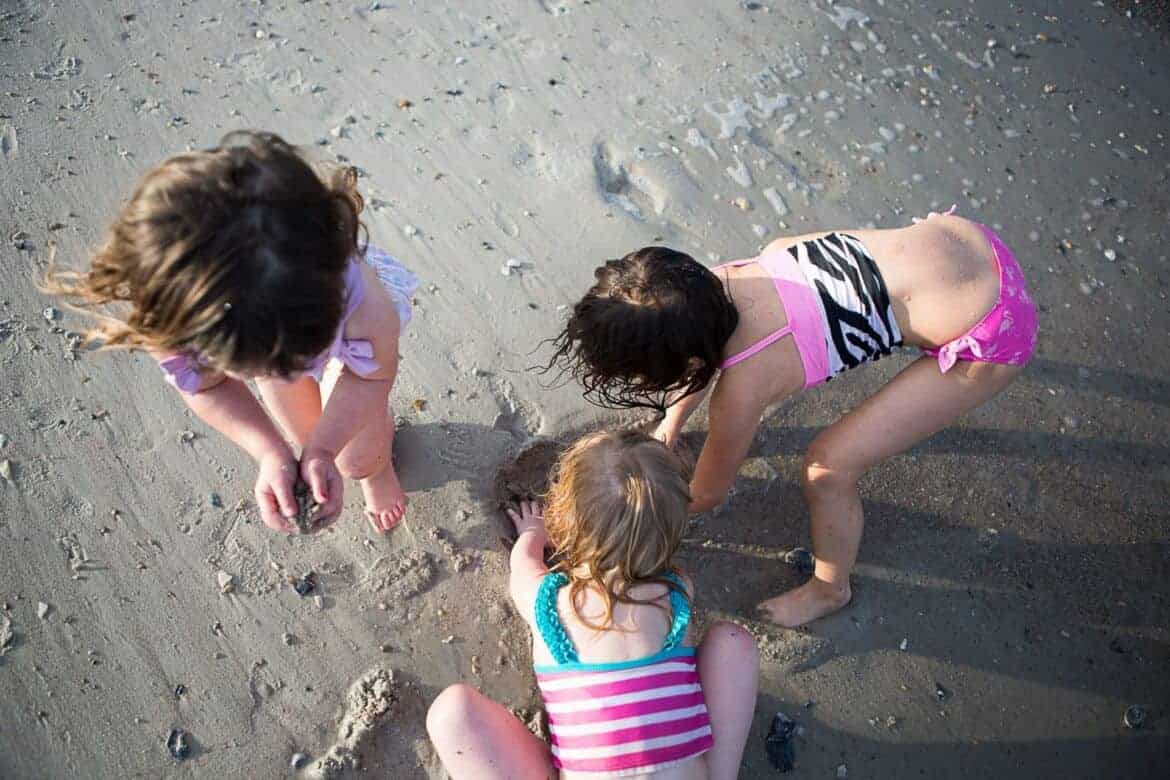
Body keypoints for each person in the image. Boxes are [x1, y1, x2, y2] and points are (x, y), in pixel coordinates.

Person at [547, 209, 1038, 626]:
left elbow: (709, 492)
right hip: (967, 243)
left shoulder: (744, 386)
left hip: (993, 327)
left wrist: (621, 521)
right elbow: (694, 361)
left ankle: (830, 589)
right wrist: (669, 428)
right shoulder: (713, 283)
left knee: (827, 468)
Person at [46, 131, 418, 534]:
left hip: (343, 335)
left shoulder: (361, 301)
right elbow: (206, 387)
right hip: (274, 330)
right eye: (259, 367)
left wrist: (329, 451)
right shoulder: (176, 316)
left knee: (354, 455)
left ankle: (376, 472)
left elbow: (371, 375)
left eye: (290, 364)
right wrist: (271, 453)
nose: (289, 376)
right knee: (306, 435)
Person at [427, 430, 759, 779]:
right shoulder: (675, 595)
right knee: (733, 642)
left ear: (564, 520)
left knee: (451, 714)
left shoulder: (548, 603)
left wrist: (532, 532)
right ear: (669, 532)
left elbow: (523, 566)